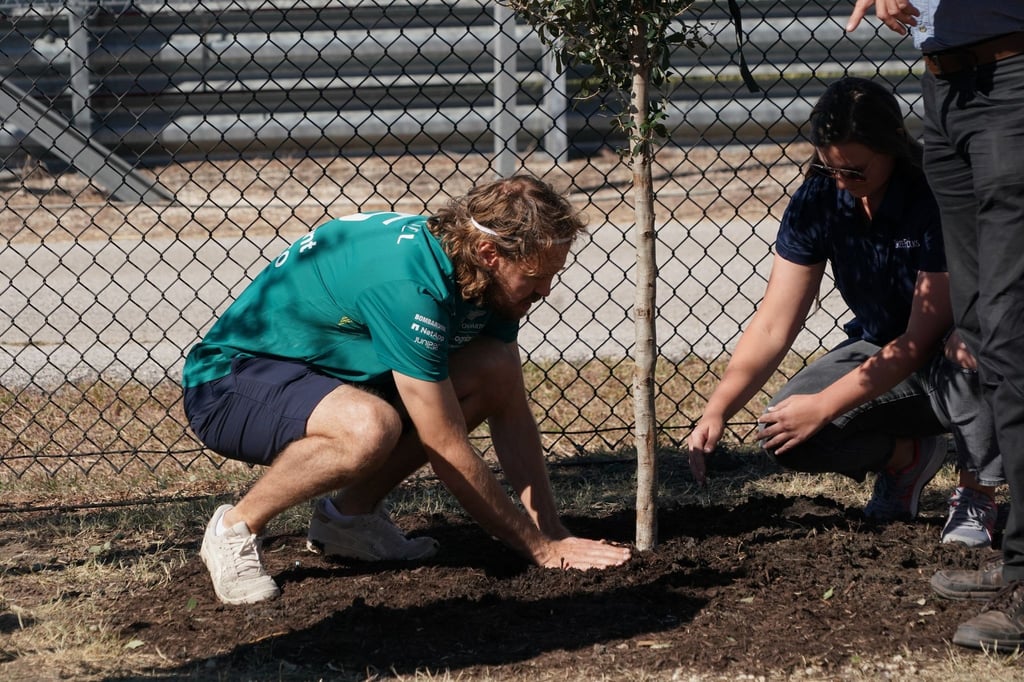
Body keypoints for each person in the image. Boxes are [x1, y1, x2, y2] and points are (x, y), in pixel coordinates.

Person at [181, 175, 632, 605]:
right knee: (367, 427)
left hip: (332, 376)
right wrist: (538, 550)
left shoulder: (483, 276)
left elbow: (509, 409)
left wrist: (552, 531)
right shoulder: (409, 285)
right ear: (491, 253)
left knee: (494, 370)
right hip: (230, 383)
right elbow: (445, 444)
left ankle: (348, 520)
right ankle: (235, 529)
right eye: (534, 278)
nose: (545, 290)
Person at [686, 77, 1002, 546]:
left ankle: (977, 492)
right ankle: (906, 459)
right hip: (879, 347)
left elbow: (919, 340)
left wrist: (824, 406)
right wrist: (718, 408)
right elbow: (775, 321)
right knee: (785, 430)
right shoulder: (819, 198)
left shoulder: (932, 195)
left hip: (949, 345)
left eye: (855, 171)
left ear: (892, 148)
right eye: (828, 167)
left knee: (967, 355)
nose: (841, 182)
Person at [846, 0, 1024, 653]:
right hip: (946, 87)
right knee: (983, 333)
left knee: (1011, 335)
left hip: (1010, 78)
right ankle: (1017, 562)